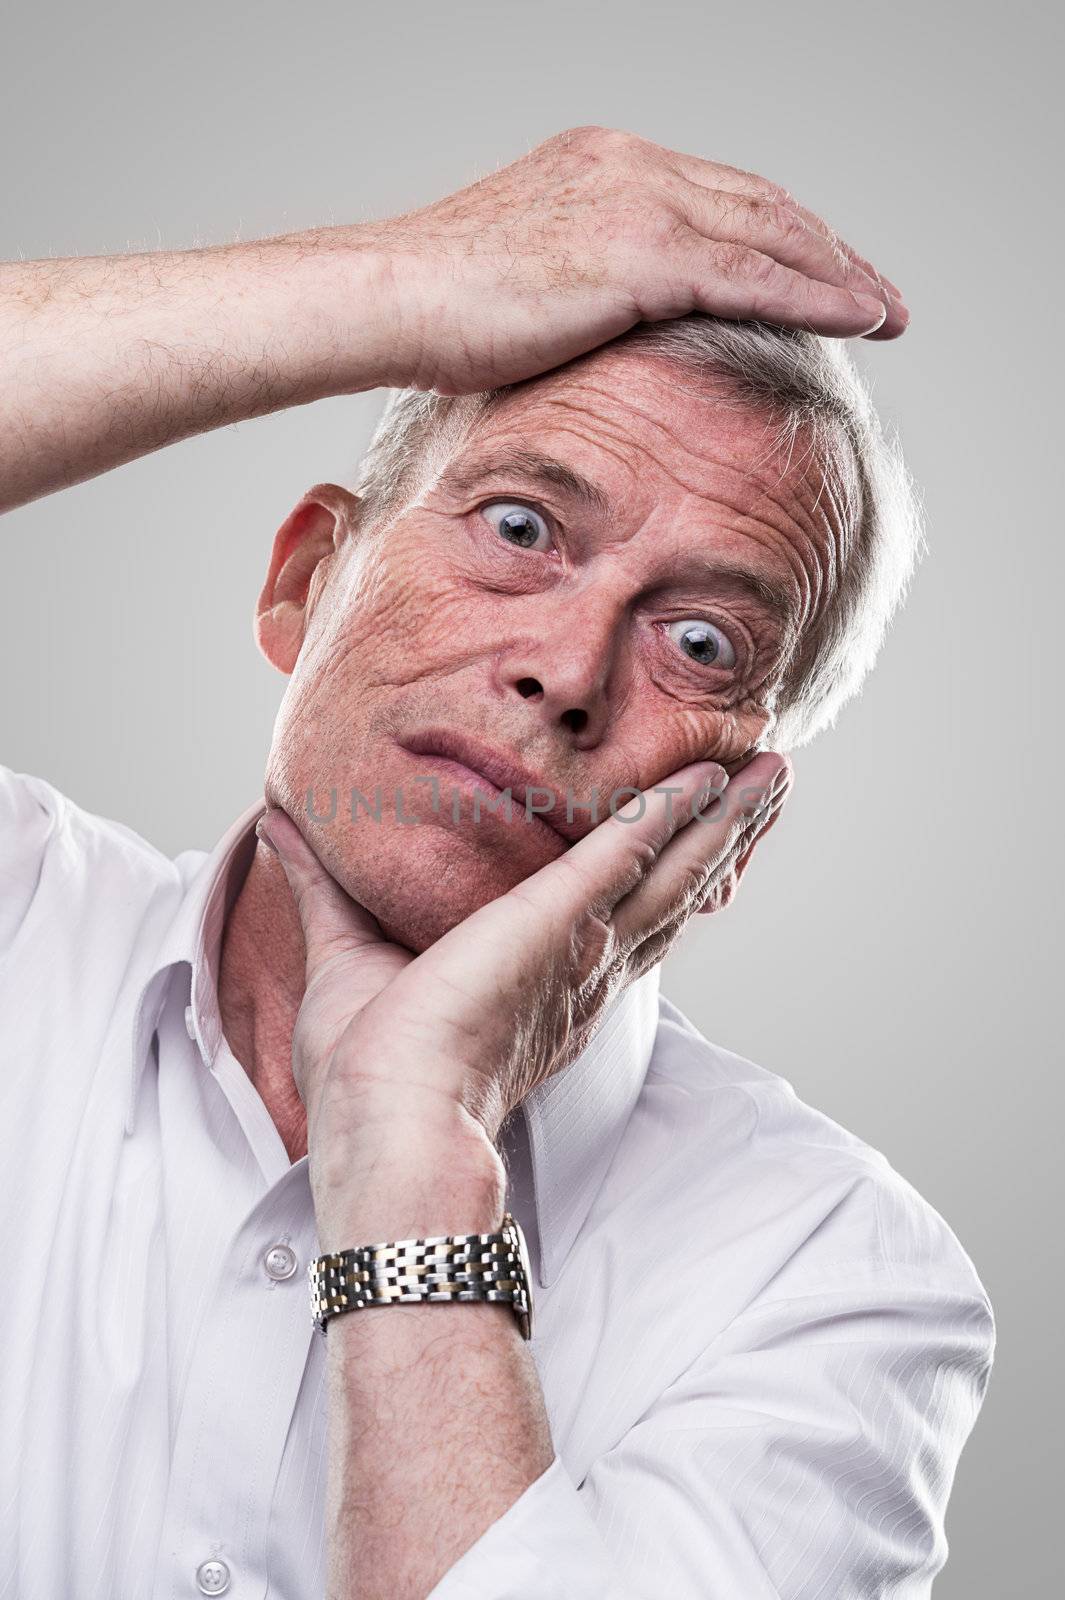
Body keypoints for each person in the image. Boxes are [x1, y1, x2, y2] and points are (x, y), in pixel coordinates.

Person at [0, 127, 993, 1600]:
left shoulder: (833, 1280)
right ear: (300, 582)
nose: (567, 670)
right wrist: (405, 278)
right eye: (519, 527)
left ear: (735, 834)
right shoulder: (24, 919)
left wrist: (410, 1146)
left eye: (700, 643)